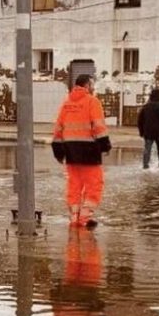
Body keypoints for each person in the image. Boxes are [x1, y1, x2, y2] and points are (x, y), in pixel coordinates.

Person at [51, 74, 112, 227]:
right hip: (89, 151)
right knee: (94, 185)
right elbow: (99, 126)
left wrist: (58, 150)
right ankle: (84, 218)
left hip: (71, 152)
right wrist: (105, 145)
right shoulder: (92, 102)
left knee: (74, 186)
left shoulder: (66, 104)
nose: (93, 87)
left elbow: (58, 129)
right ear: (86, 85)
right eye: (92, 84)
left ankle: (74, 218)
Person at [137, 88, 159, 169]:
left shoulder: (145, 107)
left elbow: (140, 121)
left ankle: (145, 166)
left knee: (147, 149)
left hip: (148, 132)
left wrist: (141, 132)